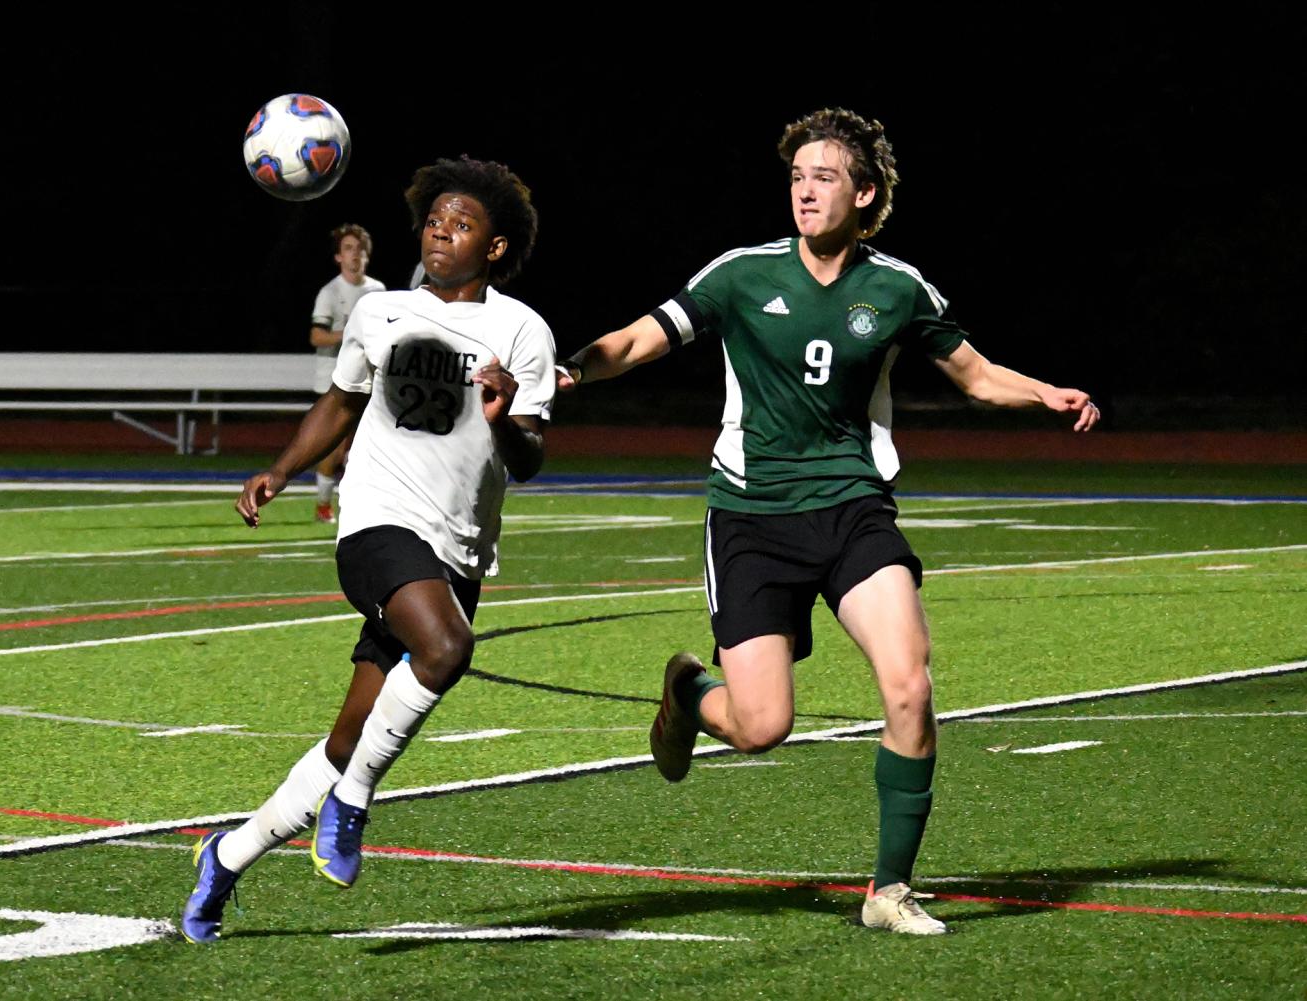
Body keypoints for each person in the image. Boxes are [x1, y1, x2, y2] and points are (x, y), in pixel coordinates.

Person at [556, 108, 1099, 935]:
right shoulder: (740, 273)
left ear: (865, 193)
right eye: (797, 176)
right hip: (750, 515)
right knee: (760, 726)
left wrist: (1045, 392)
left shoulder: (896, 288)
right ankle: (685, 690)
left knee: (910, 685)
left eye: (824, 177)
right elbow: (639, 340)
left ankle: (887, 890)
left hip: (852, 507)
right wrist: (568, 372)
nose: (804, 190)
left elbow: (977, 375)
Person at [182, 156, 552, 943]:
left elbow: (529, 460)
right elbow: (342, 399)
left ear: (495, 246)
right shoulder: (379, 311)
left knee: (349, 733)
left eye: (462, 223)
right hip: (376, 524)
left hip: (455, 548)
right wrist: (282, 469)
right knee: (448, 646)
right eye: (433, 220)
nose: (441, 231)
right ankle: (353, 804)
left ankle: (228, 854)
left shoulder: (522, 331)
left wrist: (503, 417)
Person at [309, 223, 386, 522]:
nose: (355, 255)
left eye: (360, 249)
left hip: (369, 378)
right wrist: (351, 334)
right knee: (336, 444)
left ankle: (354, 507)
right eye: (348, 249)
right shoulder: (329, 292)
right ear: (338, 257)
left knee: (365, 445)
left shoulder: (377, 290)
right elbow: (316, 337)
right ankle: (323, 504)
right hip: (333, 379)